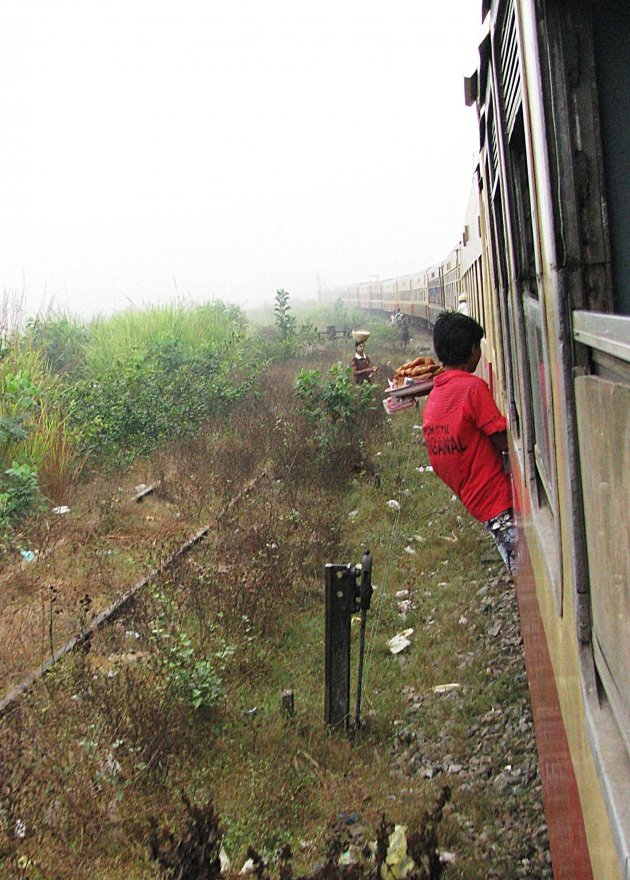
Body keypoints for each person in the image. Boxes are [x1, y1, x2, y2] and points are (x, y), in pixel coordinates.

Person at [422, 311, 516, 574]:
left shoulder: (436, 395)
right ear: (472, 349)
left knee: (512, 558)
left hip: (475, 500)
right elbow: (503, 439)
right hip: (496, 497)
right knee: (519, 562)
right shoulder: (472, 388)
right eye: (479, 347)